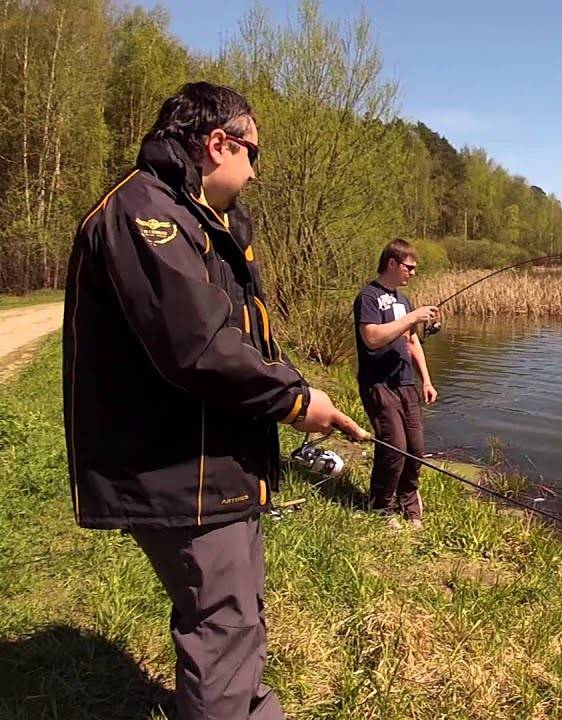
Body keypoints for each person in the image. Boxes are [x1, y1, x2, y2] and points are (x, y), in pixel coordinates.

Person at [63, 81, 367, 720]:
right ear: (216, 144)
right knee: (224, 629)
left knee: (233, 620)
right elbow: (198, 347)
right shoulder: (145, 214)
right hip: (183, 472)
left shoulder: (201, 219)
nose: (255, 171)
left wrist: (304, 391)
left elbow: (242, 337)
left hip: (214, 468)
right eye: (252, 153)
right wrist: (292, 402)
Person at [353, 239, 439, 528]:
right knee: (393, 448)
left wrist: (426, 380)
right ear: (392, 263)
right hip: (379, 385)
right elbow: (372, 337)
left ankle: (408, 502)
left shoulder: (404, 301)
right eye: (409, 267)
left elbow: (412, 341)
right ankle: (381, 506)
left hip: (406, 384)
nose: (412, 273)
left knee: (415, 449)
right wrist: (413, 317)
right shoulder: (368, 297)